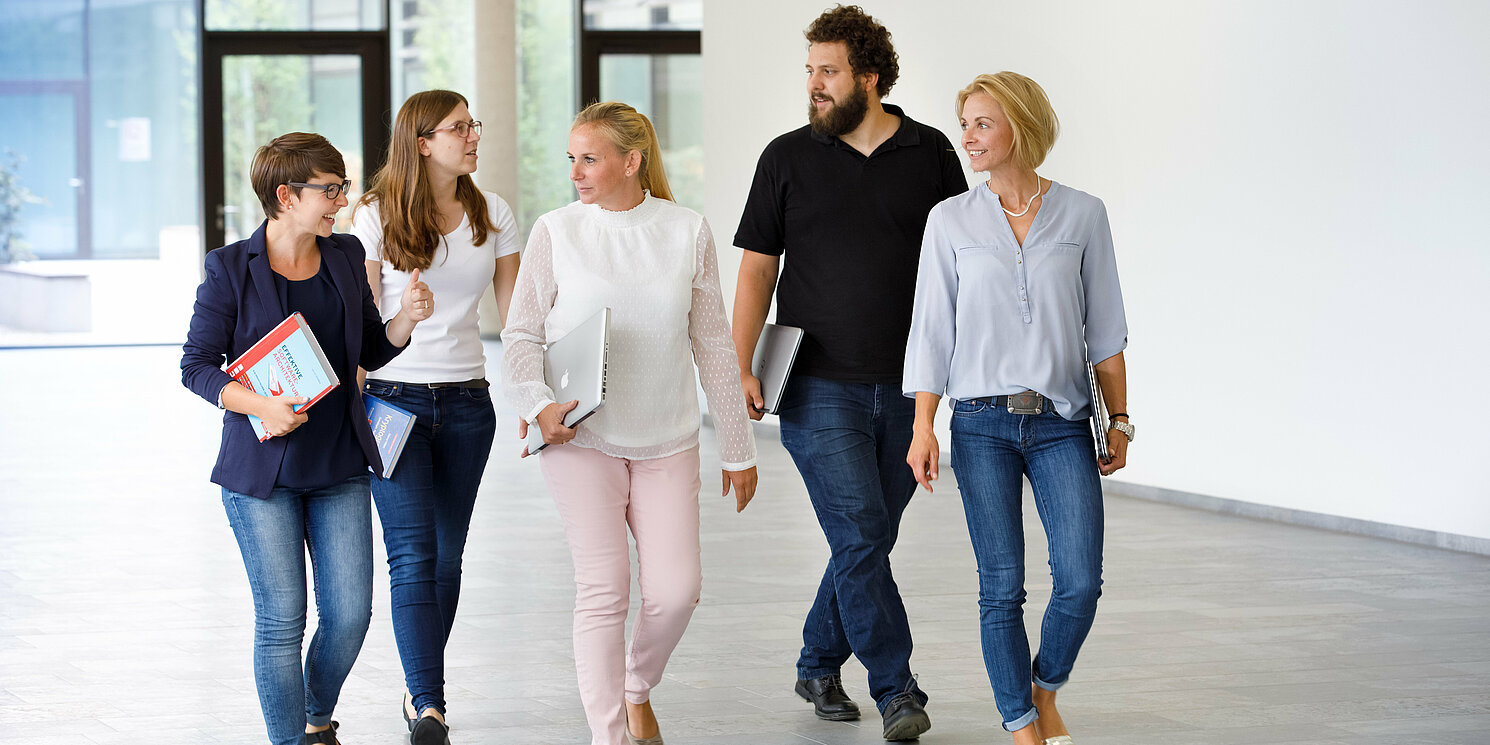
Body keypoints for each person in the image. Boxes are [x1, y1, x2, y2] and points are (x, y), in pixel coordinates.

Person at [730, 5, 966, 741]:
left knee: (865, 538)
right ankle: (898, 687)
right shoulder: (787, 157)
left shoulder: (930, 156)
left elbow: (961, 270)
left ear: (869, 76)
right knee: (861, 529)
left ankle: (818, 660)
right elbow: (756, 272)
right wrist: (738, 367)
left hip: (907, 387)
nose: (814, 85)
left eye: (827, 72)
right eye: (809, 73)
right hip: (816, 384)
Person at [501, 101, 758, 745]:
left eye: (589, 159)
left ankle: (635, 687)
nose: (576, 173)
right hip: (578, 437)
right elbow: (522, 334)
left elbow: (714, 347)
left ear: (631, 161)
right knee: (604, 589)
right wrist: (538, 405)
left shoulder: (685, 229)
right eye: (571, 160)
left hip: (667, 438)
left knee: (676, 592)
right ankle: (609, 735)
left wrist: (737, 447)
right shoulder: (556, 230)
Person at [180, 132, 433, 745]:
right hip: (261, 475)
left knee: (349, 617)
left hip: (339, 464)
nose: (341, 201)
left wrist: (405, 319)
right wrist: (259, 403)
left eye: (342, 187)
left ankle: (316, 715)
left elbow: (369, 349)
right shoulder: (228, 268)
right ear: (286, 195)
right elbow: (196, 366)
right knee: (281, 620)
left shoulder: (344, 255)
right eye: (331, 188)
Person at [902, 72, 1132, 745]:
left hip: (1063, 423)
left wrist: (1119, 419)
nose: (967, 137)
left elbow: (1108, 331)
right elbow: (931, 332)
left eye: (981, 123)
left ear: (1020, 127)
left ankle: (1045, 686)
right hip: (981, 424)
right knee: (1000, 586)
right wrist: (923, 426)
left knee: (1081, 580)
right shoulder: (949, 220)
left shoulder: (1084, 214)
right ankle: (1022, 724)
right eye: (965, 123)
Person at [352, 89, 522, 745]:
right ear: (422, 141)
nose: (473, 135)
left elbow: (518, 318)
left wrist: (535, 394)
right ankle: (430, 703)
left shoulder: (494, 212)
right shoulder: (373, 215)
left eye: (473, 124)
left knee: (447, 557)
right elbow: (362, 324)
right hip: (392, 403)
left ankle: (418, 685)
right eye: (460, 127)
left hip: (468, 405)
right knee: (413, 555)